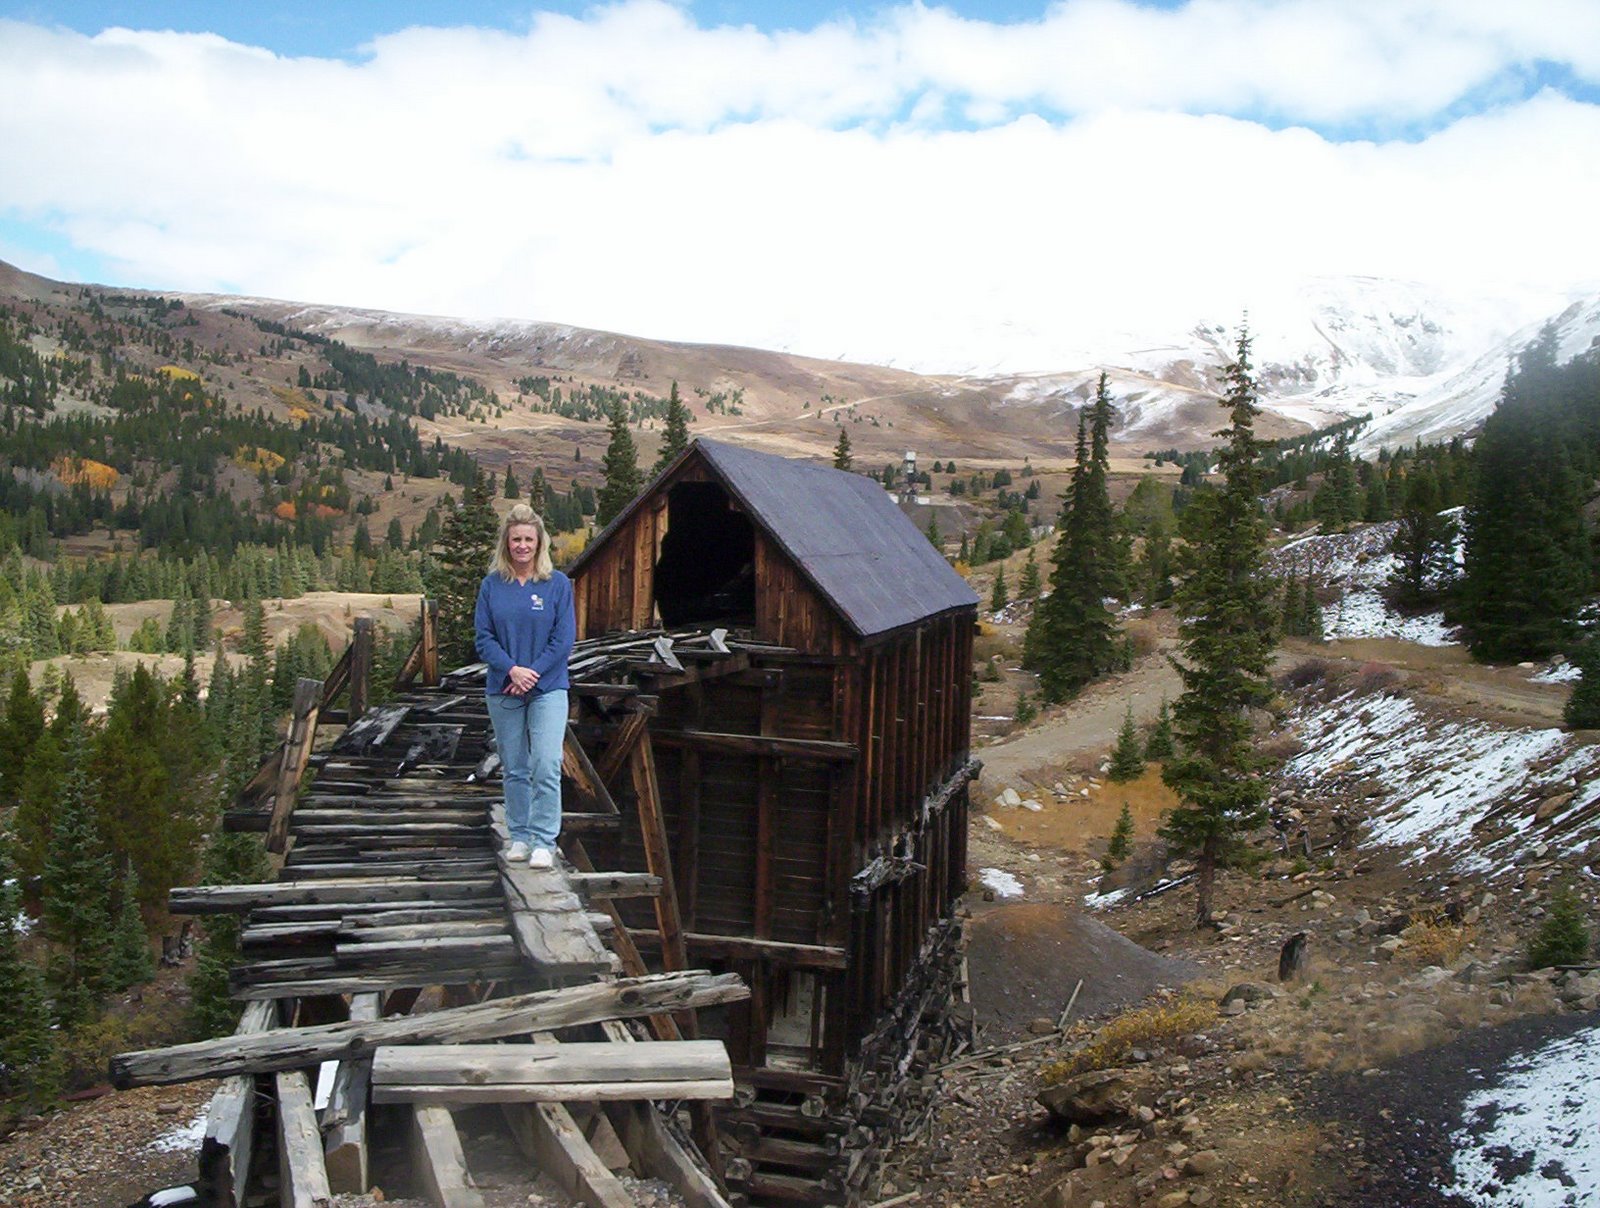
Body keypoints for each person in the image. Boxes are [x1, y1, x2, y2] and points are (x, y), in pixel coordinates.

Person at [475, 504, 575, 869]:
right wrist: (511, 671)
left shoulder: (557, 585)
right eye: (515, 539)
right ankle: (519, 835)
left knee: (546, 763)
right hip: (504, 688)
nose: (521, 545)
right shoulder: (491, 586)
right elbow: (484, 639)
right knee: (515, 766)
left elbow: (563, 640)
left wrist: (530, 672)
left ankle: (544, 840)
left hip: (548, 687)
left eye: (528, 539)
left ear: (539, 543)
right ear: (506, 542)